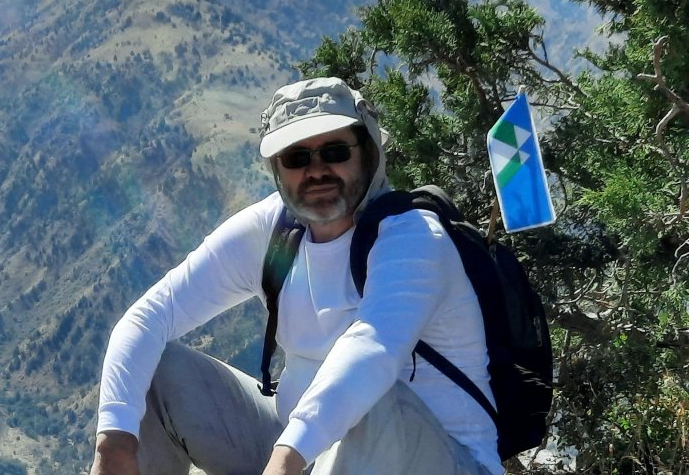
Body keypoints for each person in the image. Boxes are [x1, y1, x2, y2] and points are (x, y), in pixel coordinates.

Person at [90, 77, 503, 475]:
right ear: (277, 167)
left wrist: (285, 460)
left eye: (335, 151)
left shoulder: (412, 237)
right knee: (152, 368)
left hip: (439, 459)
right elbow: (150, 315)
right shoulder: (274, 232)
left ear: (368, 153)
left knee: (364, 401)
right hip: (303, 453)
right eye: (296, 158)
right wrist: (114, 443)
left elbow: (371, 351)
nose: (316, 170)